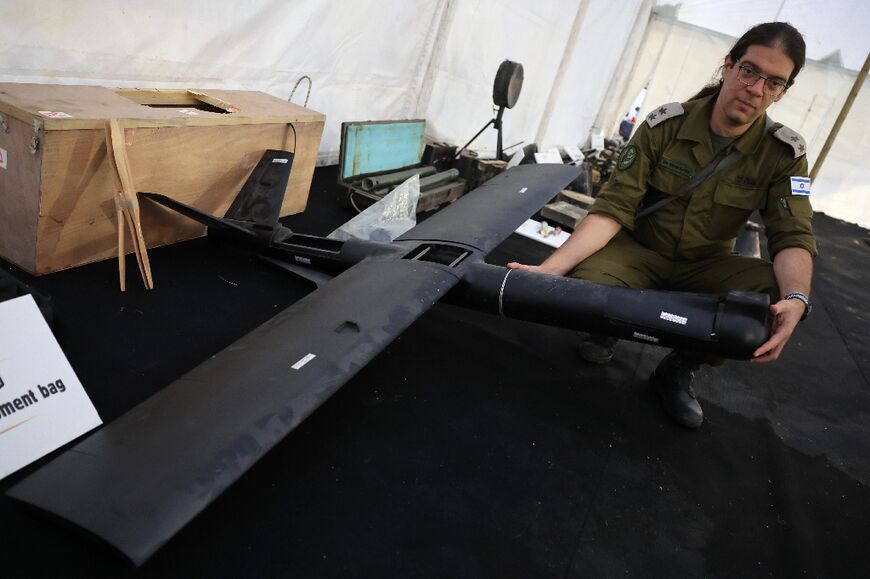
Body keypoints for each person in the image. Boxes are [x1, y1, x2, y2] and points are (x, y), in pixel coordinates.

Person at [508, 22, 816, 429]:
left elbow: (791, 232)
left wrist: (797, 298)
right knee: (584, 289)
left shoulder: (784, 153)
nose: (757, 89)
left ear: (783, 91)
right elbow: (614, 207)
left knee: (772, 297)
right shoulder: (665, 125)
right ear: (728, 65)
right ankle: (605, 330)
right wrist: (551, 270)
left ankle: (679, 369)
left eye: (774, 82)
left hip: (706, 264)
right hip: (639, 251)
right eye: (749, 71)